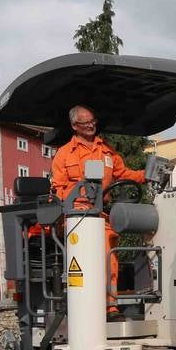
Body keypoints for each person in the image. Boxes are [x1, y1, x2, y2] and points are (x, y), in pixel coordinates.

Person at [51, 105, 145, 318]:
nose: (91, 125)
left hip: (100, 215)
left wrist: (146, 175)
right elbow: (58, 189)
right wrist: (78, 199)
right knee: (96, 252)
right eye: (85, 123)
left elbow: (124, 173)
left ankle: (110, 306)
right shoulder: (64, 155)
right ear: (75, 126)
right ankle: (95, 304)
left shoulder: (106, 151)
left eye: (93, 121)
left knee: (110, 251)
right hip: (75, 217)